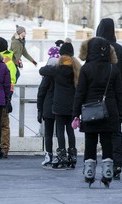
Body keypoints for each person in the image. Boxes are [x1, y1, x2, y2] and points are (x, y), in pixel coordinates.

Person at [72, 37, 122, 188]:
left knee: (90, 141)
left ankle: (89, 172)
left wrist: (75, 113)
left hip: (90, 110)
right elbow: (119, 93)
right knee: (107, 142)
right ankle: (107, 171)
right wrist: (120, 113)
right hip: (110, 110)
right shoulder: (114, 68)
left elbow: (80, 93)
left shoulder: (86, 69)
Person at [96, 18, 122, 180]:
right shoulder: (121, 51)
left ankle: (105, 162)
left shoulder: (95, 49)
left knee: (99, 132)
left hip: (96, 98)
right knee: (116, 132)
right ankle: (117, 164)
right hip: (116, 98)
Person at [39, 38, 81, 169]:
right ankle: (73, 155)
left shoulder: (57, 69)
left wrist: (52, 63)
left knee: (60, 131)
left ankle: (62, 155)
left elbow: (42, 70)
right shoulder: (77, 69)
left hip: (58, 105)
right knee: (70, 131)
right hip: (72, 105)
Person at [37, 39, 64, 167]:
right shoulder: (63, 74)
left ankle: (48, 154)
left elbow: (41, 91)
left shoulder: (47, 75)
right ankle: (61, 154)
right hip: (60, 106)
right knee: (59, 132)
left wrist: (39, 109)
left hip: (48, 107)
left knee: (48, 133)